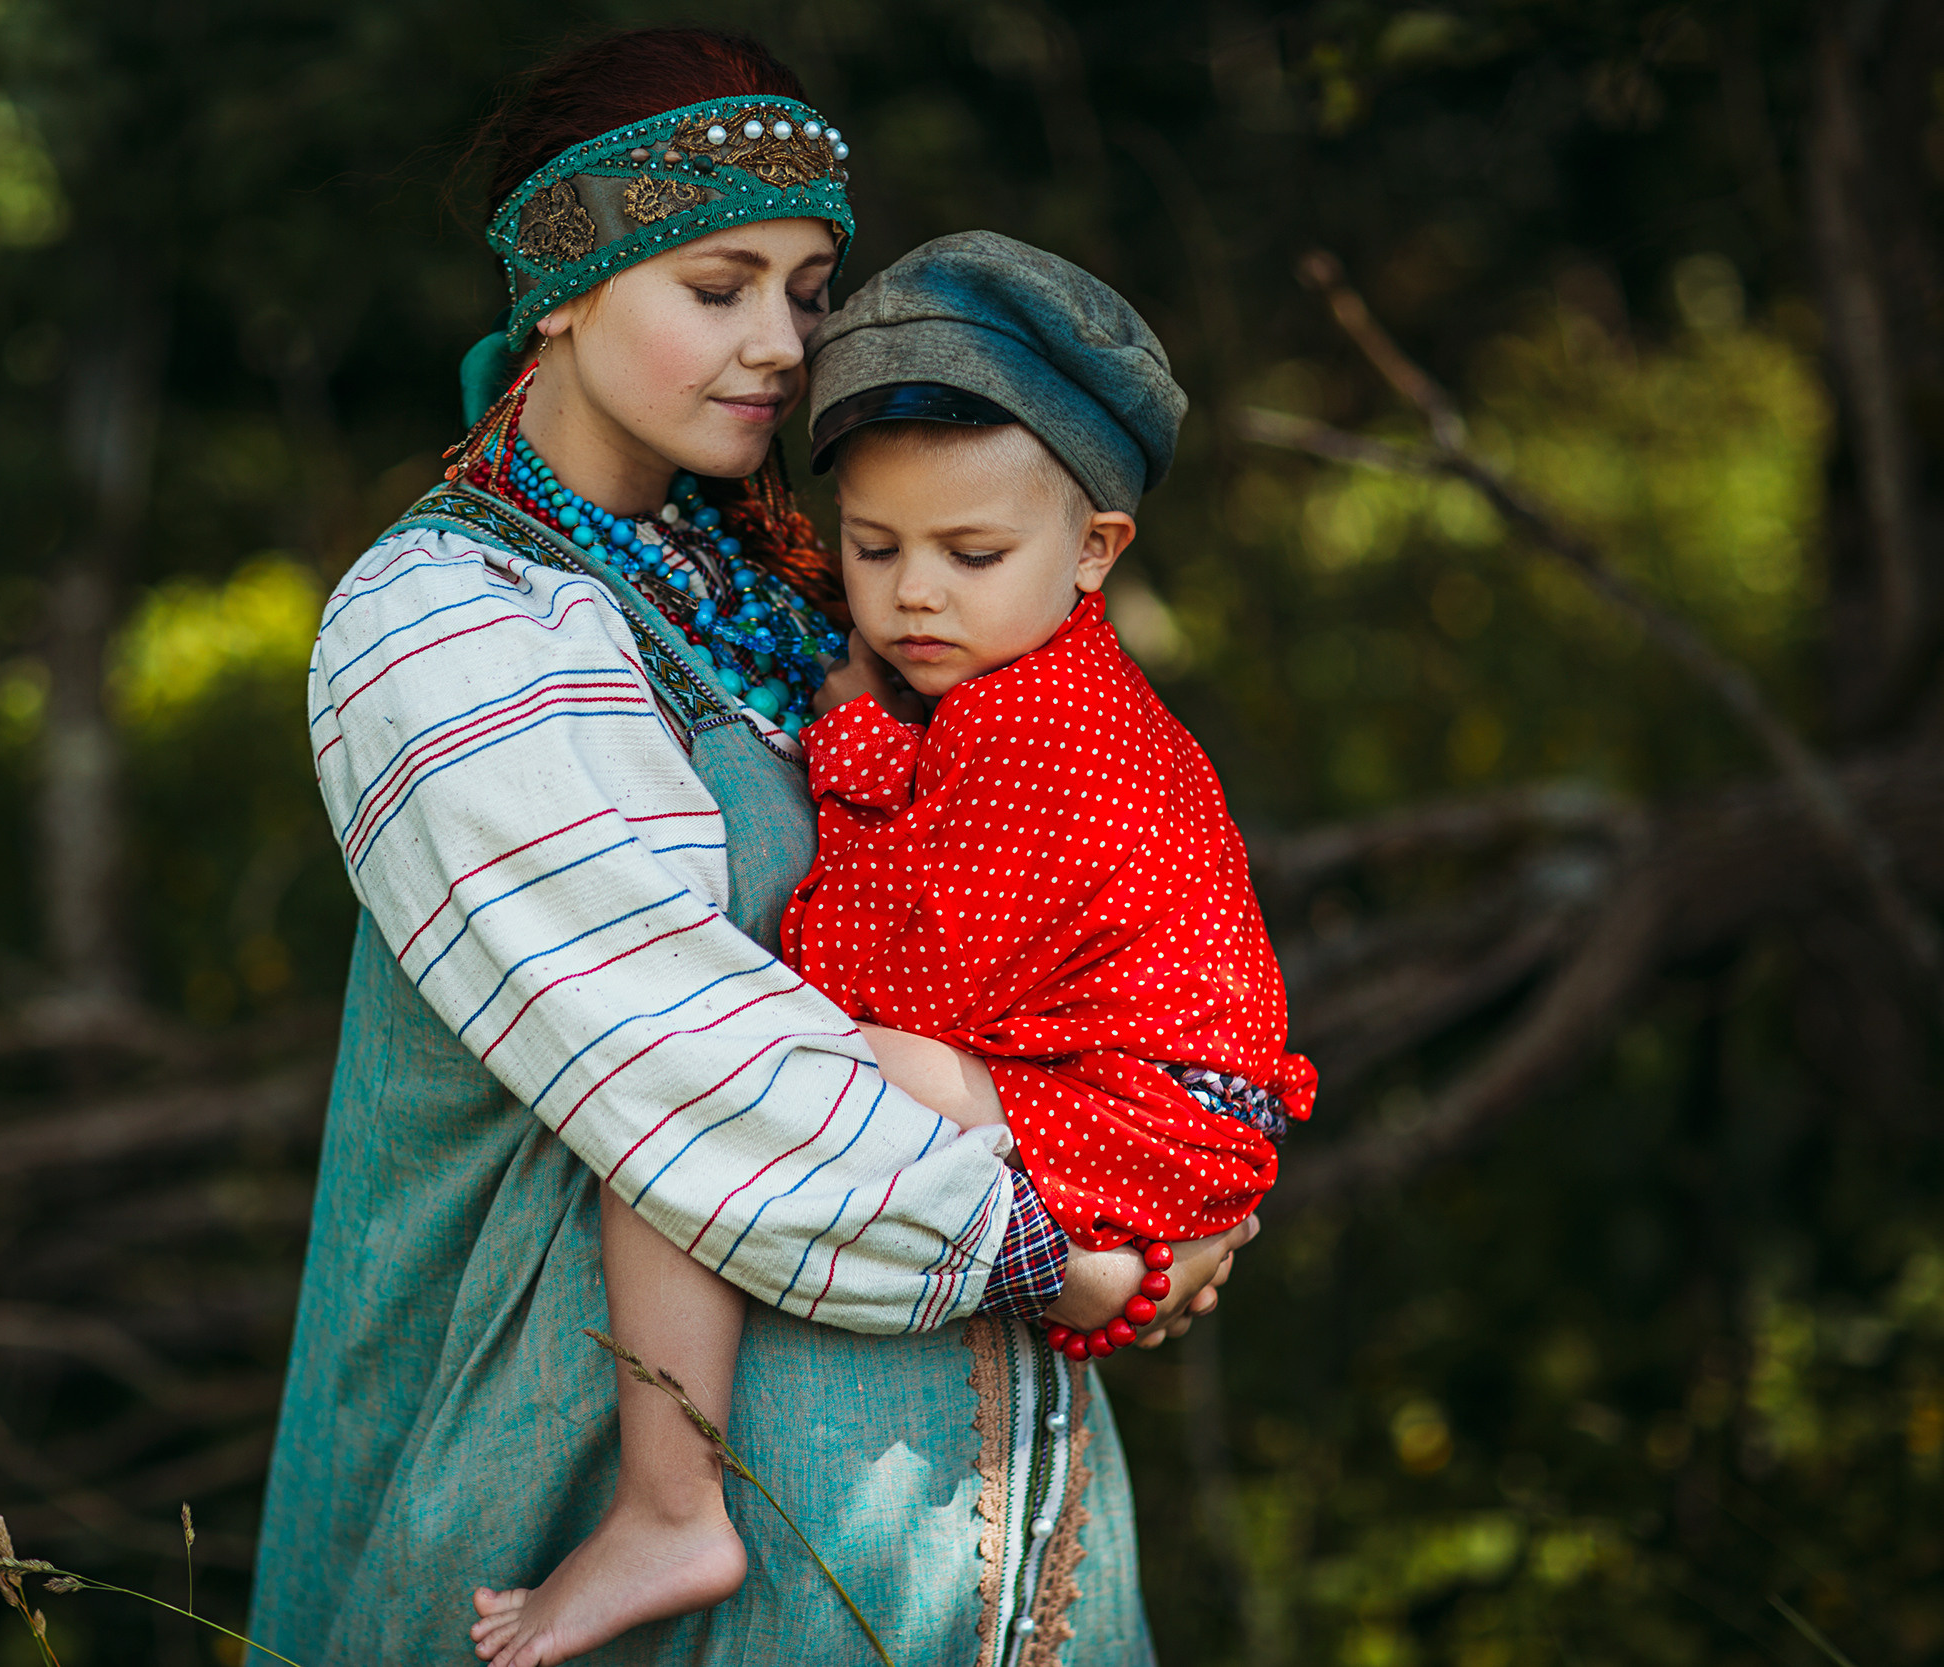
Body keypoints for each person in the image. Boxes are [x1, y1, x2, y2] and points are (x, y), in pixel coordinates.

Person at [248, 30, 1257, 1667]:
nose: (782, 344)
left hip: (965, 1461)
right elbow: (678, 1048)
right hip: (593, 1430)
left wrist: (1181, 1146)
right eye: (720, 287)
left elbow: (1076, 902)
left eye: (805, 291)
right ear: (560, 282)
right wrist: (1059, 1238)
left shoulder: (817, 583)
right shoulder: (449, 627)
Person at [472, 233, 1312, 1667]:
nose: (915, 594)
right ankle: (1078, 1273)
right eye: (875, 548)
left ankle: (672, 1506)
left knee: (693, 1101)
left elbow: (902, 974)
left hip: (1133, 1113)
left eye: (971, 555)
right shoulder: (1010, 685)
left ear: (1097, 549)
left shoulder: (1040, 737)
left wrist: (844, 752)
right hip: (1139, 1099)